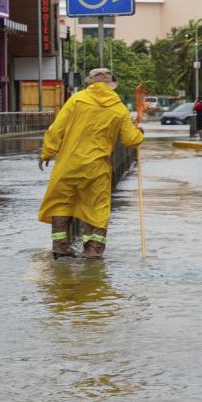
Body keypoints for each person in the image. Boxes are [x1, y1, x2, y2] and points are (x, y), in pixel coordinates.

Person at [38, 69, 144, 259]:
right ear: (112, 85)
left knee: (61, 203)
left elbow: (57, 129)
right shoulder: (118, 108)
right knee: (96, 208)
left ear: (90, 83)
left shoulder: (76, 100)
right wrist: (139, 134)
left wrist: (47, 153)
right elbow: (130, 140)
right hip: (97, 169)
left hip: (68, 164)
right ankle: (93, 251)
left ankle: (60, 248)